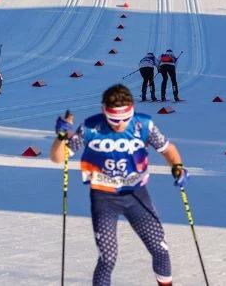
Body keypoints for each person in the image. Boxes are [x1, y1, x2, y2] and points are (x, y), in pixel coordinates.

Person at [49, 85, 185, 286]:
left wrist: (178, 167)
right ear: (104, 110)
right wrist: (61, 137)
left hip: (136, 195)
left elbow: (167, 148)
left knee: (160, 249)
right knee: (108, 258)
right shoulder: (90, 128)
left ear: (132, 109)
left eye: (125, 118)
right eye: (114, 120)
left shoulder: (143, 125)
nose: (120, 125)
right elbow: (58, 158)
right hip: (104, 198)